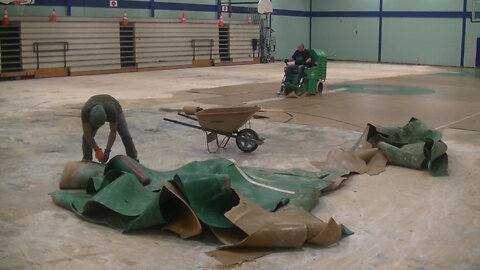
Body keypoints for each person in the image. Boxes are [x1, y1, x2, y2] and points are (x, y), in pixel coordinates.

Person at [81, 94, 138, 163]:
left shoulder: (112, 112)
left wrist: (107, 150)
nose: (99, 127)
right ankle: (87, 159)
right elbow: (87, 135)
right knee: (85, 138)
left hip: (114, 107)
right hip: (96, 109)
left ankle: (133, 159)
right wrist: (97, 150)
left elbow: (113, 132)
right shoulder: (85, 112)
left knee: (126, 135)